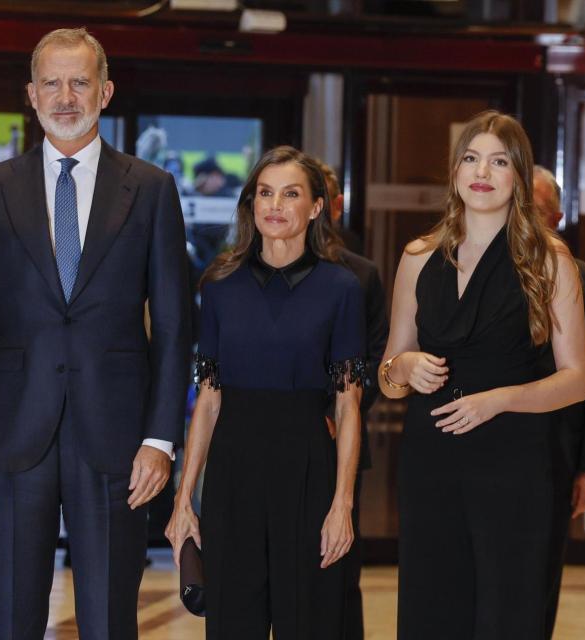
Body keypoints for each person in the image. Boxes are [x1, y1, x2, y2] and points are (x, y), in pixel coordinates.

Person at [0, 28, 191, 639]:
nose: (65, 96)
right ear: (30, 94)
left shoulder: (152, 189)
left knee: (110, 619)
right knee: (12, 616)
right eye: (51, 82)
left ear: (105, 91)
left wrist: (160, 440)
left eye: (79, 81)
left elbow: (176, 322)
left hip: (117, 439)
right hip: (9, 437)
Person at [380, 110, 585, 639]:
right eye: (471, 159)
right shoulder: (418, 256)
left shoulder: (550, 261)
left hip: (514, 461)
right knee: (433, 610)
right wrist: (404, 366)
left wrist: (498, 400)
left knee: (506, 614)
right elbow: (387, 374)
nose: (482, 172)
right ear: (455, 172)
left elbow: (577, 379)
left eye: (499, 161)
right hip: (431, 460)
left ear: (518, 176)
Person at [166, 146, 366, 639]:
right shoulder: (219, 285)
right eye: (265, 193)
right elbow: (208, 400)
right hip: (233, 471)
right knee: (234, 622)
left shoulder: (341, 288)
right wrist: (184, 497)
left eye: (291, 193)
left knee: (310, 622)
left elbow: (348, 404)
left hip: (308, 470)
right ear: (251, 204)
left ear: (316, 207)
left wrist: (343, 504)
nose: (275, 205)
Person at [319, 161, 388, 640]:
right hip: (267, 440)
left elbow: (378, 357)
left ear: (333, 205)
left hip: (336, 441)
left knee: (338, 572)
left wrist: (338, 417)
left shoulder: (361, 276)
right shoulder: (245, 270)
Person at [533, 165, 585, 639]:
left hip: (555, 450)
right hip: (480, 447)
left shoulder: (579, 278)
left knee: (537, 576)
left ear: (553, 218)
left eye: (533, 208)